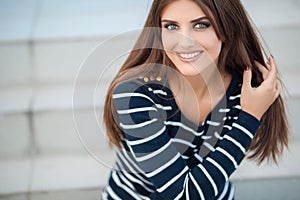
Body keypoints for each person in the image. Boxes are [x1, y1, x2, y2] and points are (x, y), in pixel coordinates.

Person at [101, 0, 288, 199]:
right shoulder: (136, 93)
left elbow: (210, 175)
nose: (184, 41)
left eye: (201, 25)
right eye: (171, 27)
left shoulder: (245, 93)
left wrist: (251, 110)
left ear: (225, 28)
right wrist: (249, 118)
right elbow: (182, 195)